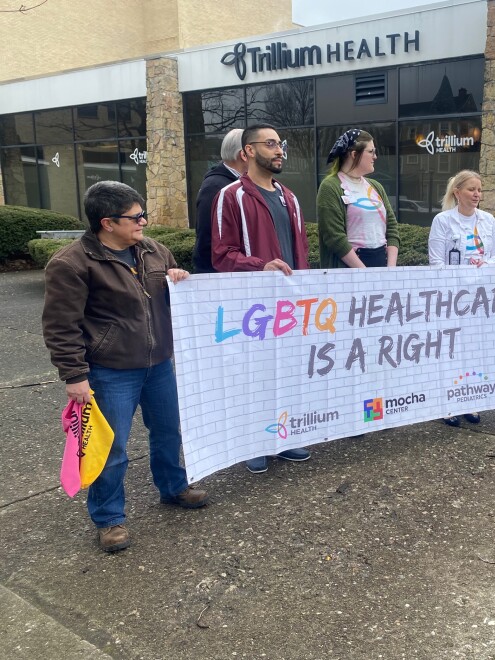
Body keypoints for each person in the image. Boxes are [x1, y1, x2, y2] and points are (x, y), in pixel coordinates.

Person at [42, 181, 208, 553]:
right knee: (111, 447)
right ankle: (109, 517)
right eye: (135, 217)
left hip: (159, 364)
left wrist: (178, 279)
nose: (144, 222)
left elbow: (165, 298)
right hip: (109, 370)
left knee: (167, 431)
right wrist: (75, 377)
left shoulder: (154, 251)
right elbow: (60, 326)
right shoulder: (71, 264)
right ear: (107, 223)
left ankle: (173, 487)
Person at [212, 123, 312, 473]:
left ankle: (282, 437)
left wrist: (305, 286)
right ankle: (252, 442)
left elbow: (301, 248)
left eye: (280, 144)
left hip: (289, 303)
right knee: (252, 374)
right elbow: (221, 255)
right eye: (270, 144)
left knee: (286, 371)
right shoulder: (232, 195)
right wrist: (260, 266)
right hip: (253, 303)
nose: (279, 150)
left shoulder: (290, 197)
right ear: (249, 151)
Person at [428, 170, 495, 426]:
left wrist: (484, 266)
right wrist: (462, 274)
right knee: (451, 350)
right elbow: (436, 262)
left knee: (474, 349)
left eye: (479, 190)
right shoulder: (443, 221)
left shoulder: (488, 221)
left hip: (481, 298)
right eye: (471, 189)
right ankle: (447, 403)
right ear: (457, 192)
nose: (476, 194)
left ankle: (470, 400)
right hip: (452, 297)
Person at [317, 129, 399, 269]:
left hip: (381, 265)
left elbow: (392, 228)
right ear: (354, 154)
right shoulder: (330, 187)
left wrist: (390, 269)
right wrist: (363, 273)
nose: (375, 156)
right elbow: (334, 238)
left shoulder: (376, 187)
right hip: (348, 272)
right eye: (371, 151)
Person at [192, 128, 248, 274]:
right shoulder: (216, 187)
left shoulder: (240, 183)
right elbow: (208, 237)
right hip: (221, 276)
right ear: (243, 155)